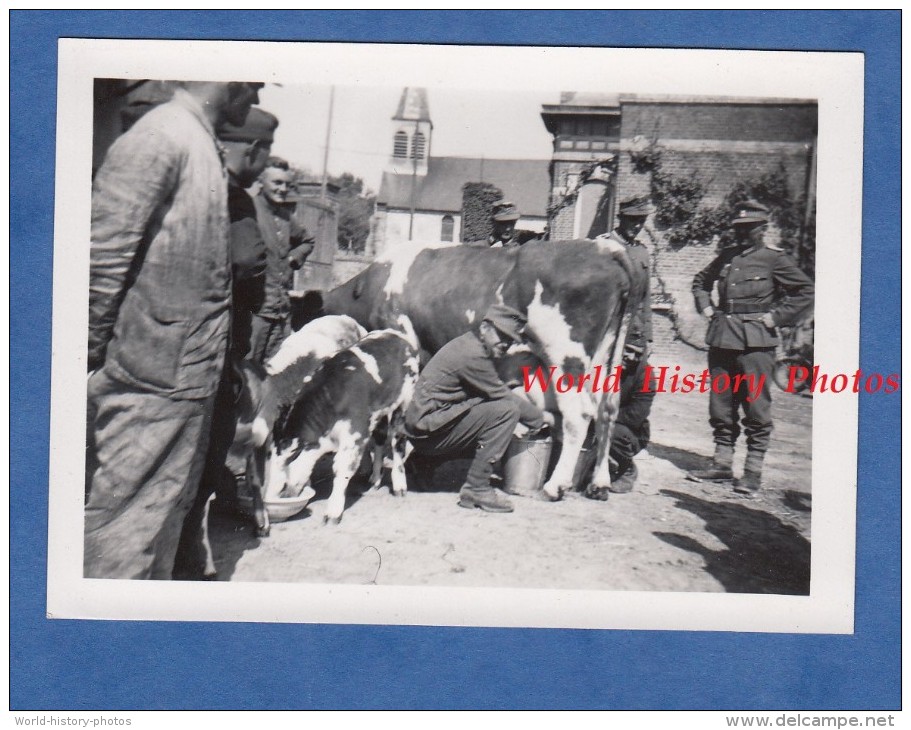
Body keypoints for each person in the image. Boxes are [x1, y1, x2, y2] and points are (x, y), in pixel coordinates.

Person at [84, 81, 263, 579]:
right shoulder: (161, 136)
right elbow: (101, 261)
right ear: (228, 82)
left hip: (184, 377)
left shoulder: (196, 139)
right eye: (252, 87)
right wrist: (92, 359)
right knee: (123, 534)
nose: (253, 101)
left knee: (159, 522)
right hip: (151, 377)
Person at [172, 107, 278, 580]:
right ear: (254, 151)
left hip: (170, 341)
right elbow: (249, 264)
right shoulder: (234, 197)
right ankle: (190, 569)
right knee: (201, 461)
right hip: (215, 349)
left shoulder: (188, 180)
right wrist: (248, 306)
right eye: (266, 152)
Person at [687, 200, 814, 496]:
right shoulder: (727, 256)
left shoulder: (774, 259)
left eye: (749, 228)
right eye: (739, 228)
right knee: (720, 404)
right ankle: (721, 464)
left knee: (756, 406)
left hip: (757, 343)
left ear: (763, 229)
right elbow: (700, 282)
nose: (742, 233)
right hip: (722, 339)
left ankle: (753, 472)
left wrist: (776, 317)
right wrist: (707, 310)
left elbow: (806, 290)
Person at [405, 304, 554, 513]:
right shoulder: (472, 355)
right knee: (506, 412)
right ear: (485, 328)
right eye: (502, 335)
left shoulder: (469, 345)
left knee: (491, 413)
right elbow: (503, 396)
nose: (505, 344)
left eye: (510, 340)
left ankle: (421, 463)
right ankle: (477, 487)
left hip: (426, 427)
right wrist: (542, 417)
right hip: (427, 432)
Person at [249, 157, 315, 363]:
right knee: (244, 372)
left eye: (287, 184)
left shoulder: (286, 217)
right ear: (260, 182)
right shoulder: (247, 211)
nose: (283, 189)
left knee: (276, 370)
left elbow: (308, 240)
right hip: (254, 315)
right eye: (277, 183)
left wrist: (293, 258)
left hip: (282, 315)